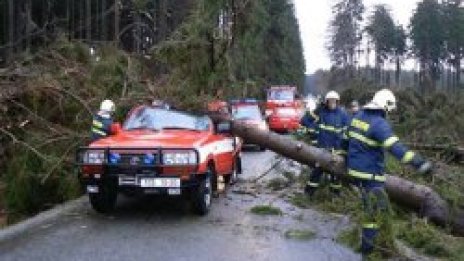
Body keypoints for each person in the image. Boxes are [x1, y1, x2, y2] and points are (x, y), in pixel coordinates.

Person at [345, 89, 432, 256]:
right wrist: (419, 163)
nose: (389, 112)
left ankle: (379, 243)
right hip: (369, 174)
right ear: (385, 106)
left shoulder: (357, 117)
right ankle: (369, 251)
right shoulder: (379, 123)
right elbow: (396, 149)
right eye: (389, 109)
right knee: (374, 213)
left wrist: (342, 156)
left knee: (380, 207)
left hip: (354, 170)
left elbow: (345, 139)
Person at [302, 91, 350, 196]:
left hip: (337, 150)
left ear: (338, 102)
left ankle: (335, 195)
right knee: (317, 171)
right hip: (323, 149)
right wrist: (312, 132)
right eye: (330, 101)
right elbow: (305, 120)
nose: (332, 103)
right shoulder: (321, 112)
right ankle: (308, 193)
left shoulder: (343, 115)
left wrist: (346, 149)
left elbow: (348, 132)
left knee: (336, 174)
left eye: (334, 101)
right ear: (326, 102)